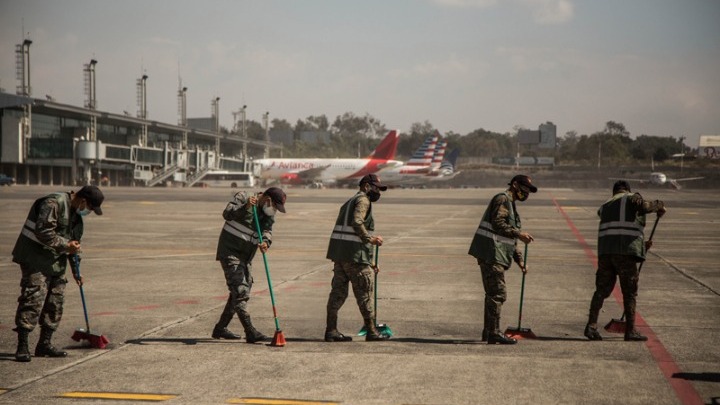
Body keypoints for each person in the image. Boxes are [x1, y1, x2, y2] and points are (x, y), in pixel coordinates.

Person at [12, 185, 105, 362]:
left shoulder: (76, 217)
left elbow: (74, 245)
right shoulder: (53, 203)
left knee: (55, 302)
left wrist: (77, 270)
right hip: (35, 259)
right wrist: (66, 245)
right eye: (90, 208)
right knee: (33, 299)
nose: (88, 212)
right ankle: (22, 345)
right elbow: (43, 231)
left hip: (55, 262)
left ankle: (44, 344)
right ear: (83, 200)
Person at [584, 180, 666, 342]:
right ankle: (630, 331)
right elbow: (644, 207)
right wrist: (659, 205)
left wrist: (641, 246)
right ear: (627, 190)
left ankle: (591, 326)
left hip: (606, 253)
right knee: (629, 293)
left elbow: (619, 229)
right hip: (625, 253)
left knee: (601, 291)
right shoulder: (631, 197)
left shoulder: (605, 206)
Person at [468, 175, 536, 345]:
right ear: (515, 185)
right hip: (491, 253)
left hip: (497, 254)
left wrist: (520, 260)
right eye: (524, 188)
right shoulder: (502, 199)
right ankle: (494, 333)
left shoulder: (511, 205)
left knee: (492, 294)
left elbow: (509, 237)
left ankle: (489, 331)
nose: (526, 192)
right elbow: (498, 224)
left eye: (529, 190)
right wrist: (519, 234)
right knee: (498, 294)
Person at [212, 187, 287, 343]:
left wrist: (266, 242)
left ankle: (221, 328)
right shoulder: (244, 197)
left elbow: (267, 229)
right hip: (230, 252)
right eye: (273, 206)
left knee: (238, 291)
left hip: (246, 257)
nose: (274, 210)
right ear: (266, 198)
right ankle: (250, 331)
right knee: (240, 292)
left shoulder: (267, 213)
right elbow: (227, 214)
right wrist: (245, 207)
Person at [324, 174, 390, 342]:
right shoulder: (363, 201)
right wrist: (370, 239)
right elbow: (357, 222)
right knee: (365, 294)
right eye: (375, 188)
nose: (377, 192)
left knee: (337, 294)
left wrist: (372, 261)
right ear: (366, 186)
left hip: (341, 256)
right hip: (355, 258)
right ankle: (372, 331)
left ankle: (331, 330)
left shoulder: (349, 202)